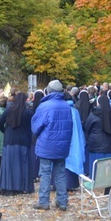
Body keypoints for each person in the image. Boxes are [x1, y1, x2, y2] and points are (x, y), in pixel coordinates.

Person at [31, 80, 73, 212]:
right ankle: (62, 202)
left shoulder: (44, 106)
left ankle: (44, 201)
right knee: (60, 174)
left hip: (46, 145)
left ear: (48, 91)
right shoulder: (67, 106)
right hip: (62, 146)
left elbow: (35, 127)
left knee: (45, 173)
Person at [0, 91, 34, 195]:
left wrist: (5, 131)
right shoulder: (28, 112)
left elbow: (0, 122)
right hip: (23, 140)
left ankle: (8, 186)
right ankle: (23, 186)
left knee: (9, 165)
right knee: (23, 164)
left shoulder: (9, 110)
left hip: (10, 140)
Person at [84, 91, 111, 179]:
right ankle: (105, 179)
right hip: (108, 143)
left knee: (95, 164)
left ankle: (94, 178)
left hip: (95, 143)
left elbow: (87, 126)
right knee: (106, 165)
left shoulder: (94, 114)